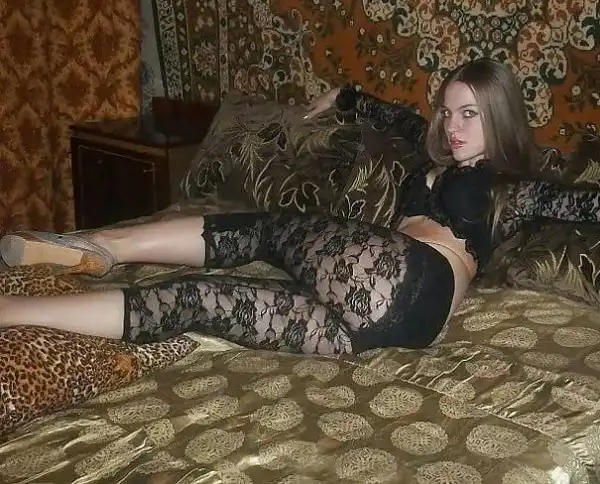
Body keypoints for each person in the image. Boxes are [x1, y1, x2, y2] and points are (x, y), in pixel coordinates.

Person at [0, 58, 598, 355]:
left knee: (270, 230)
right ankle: (13, 312)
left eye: (471, 113)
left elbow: (580, 203)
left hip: (416, 280)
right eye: (448, 111)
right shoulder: (431, 153)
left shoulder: (512, 185)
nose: (453, 125)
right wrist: (346, 98)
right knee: (194, 300)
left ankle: (105, 246)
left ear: (499, 116)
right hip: (388, 324)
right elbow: (397, 118)